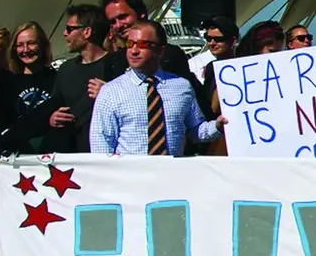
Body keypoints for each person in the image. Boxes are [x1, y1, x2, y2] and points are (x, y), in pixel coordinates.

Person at [89, 20, 225, 156]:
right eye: (129, 44)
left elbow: (195, 131)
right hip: (131, 175)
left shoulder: (182, 87)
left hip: (170, 174)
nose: (134, 51)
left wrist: (217, 126)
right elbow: (101, 144)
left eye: (143, 45)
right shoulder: (111, 91)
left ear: (160, 50)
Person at [95, 0, 205, 115]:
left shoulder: (170, 54)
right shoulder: (113, 61)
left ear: (141, 13)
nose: (118, 25)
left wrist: (114, 94)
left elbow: (177, 102)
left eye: (123, 17)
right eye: (112, 22)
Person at [35, 5, 111, 153]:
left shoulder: (115, 66)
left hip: (102, 154)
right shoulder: (66, 69)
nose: (64, 34)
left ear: (87, 32)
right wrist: (52, 118)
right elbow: (55, 104)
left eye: (70, 29)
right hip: (70, 155)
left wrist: (108, 93)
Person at [0, 22, 56, 154]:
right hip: (16, 158)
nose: (26, 50)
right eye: (20, 45)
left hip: (50, 156)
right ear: (14, 49)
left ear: (43, 45)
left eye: (32, 43)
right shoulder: (6, 82)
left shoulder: (58, 78)